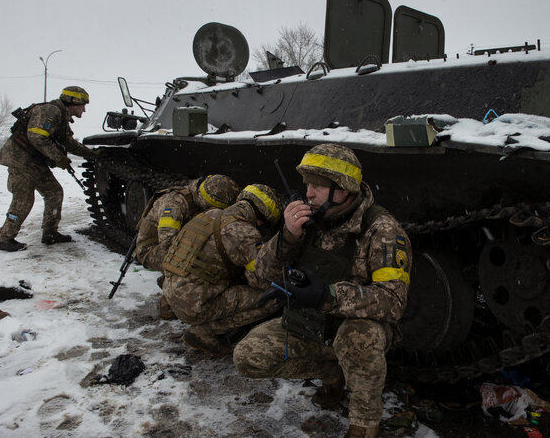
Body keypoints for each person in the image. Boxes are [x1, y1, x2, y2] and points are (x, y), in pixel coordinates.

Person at [233, 143, 412, 438]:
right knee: (249, 357)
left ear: (343, 188)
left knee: (359, 337)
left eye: (317, 185)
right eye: (307, 185)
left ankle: (365, 423)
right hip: (312, 326)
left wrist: (327, 295)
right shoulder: (309, 220)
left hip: (354, 330)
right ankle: (334, 374)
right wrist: (287, 237)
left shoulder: (382, 230)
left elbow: (393, 302)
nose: (308, 193)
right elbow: (262, 275)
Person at [161, 183, 285, 356]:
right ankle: (204, 332)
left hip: (171, 291)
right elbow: (261, 282)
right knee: (271, 299)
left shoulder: (209, 214)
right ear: (261, 219)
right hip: (193, 305)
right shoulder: (245, 233)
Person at [0, 86, 96, 252]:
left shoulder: (61, 116)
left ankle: (50, 233)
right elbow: (37, 137)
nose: (84, 109)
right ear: (73, 103)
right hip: (21, 161)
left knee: (54, 193)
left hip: (34, 163)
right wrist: (59, 158)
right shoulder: (51, 111)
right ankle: (5, 238)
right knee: (23, 200)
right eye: (83, 105)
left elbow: (69, 143)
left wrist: (93, 154)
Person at [135, 174, 241, 320]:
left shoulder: (198, 195)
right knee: (198, 263)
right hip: (152, 248)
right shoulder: (174, 204)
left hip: (175, 242)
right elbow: (168, 245)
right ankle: (172, 295)